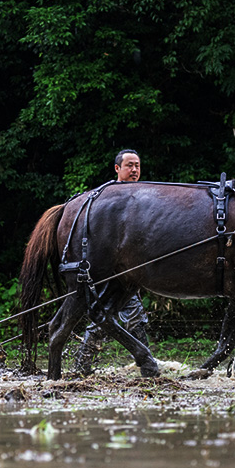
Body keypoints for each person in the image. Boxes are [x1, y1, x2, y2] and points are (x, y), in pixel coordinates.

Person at [73, 148, 150, 376]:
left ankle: (146, 362)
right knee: (106, 315)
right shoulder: (109, 196)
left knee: (133, 316)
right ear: (118, 168)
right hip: (109, 270)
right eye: (129, 165)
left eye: (137, 165)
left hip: (129, 271)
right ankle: (82, 365)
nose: (134, 170)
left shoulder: (143, 195)